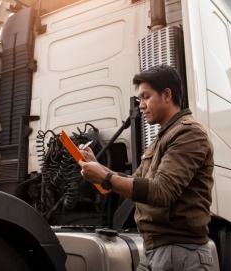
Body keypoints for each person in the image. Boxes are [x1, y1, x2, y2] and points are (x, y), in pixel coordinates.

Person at [78, 64, 215, 271]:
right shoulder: (162, 138)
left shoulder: (189, 133)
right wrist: (98, 167)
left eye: (145, 97)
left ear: (167, 95)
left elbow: (162, 191)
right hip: (154, 250)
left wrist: (105, 179)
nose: (141, 105)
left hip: (180, 253)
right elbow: (136, 182)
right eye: (140, 99)